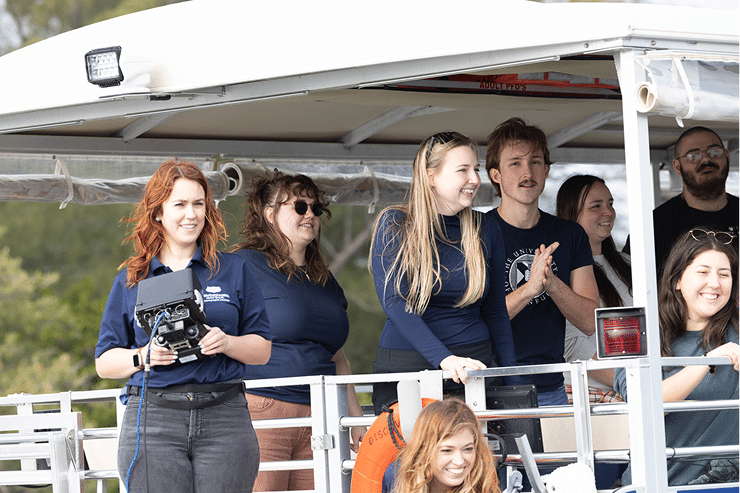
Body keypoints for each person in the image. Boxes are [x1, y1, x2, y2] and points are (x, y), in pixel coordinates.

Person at [95, 160, 272, 493]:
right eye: (179, 204)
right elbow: (104, 363)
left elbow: (262, 349)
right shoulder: (132, 280)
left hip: (225, 418)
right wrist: (143, 357)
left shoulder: (234, 270)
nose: (191, 214)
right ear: (158, 212)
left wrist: (228, 343)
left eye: (198, 204)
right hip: (153, 420)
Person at [230, 170, 365, 491]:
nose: (310, 215)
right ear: (269, 214)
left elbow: (336, 356)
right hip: (265, 412)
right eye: (299, 207)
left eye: (316, 209)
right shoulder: (242, 265)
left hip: (324, 416)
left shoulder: (324, 279)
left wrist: (356, 418)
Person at [370, 131, 519, 414]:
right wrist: (445, 359)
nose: (474, 179)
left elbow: (495, 311)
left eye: (475, 169)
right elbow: (395, 302)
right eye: (463, 170)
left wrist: (513, 383)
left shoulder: (485, 227)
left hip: (475, 369)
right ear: (431, 176)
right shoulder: (395, 223)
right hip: (409, 370)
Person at [485, 117, 599, 406]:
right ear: (495, 175)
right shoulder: (476, 232)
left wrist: (552, 284)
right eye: (515, 163)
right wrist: (528, 289)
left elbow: (590, 322)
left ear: (547, 170)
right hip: (488, 389)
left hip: (551, 386)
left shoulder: (569, 234)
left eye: (535, 162)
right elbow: (473, 322)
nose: (528, 172)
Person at [614, 228, 740, 486]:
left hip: (724, 485)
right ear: (677, 279)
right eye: (703, 272)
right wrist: (708, 361)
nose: (714, 283)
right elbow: (643, 404)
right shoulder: (641, 333)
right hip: (655, 484)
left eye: (724, 274)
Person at [624, 126, 739, 278]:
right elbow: (630, 287)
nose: (706, 159)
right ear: (677, 167)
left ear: (727, 157)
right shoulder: (653, 227)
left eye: (714, 152)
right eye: (693, 155)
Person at [556, 175, 631, 403]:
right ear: (572, 214)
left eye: (610, 203)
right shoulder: (559, 270)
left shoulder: (628, 263)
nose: (607, 212)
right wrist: (630, 381)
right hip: (592, 398)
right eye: (595, 206)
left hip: (637, 384)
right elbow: (573, 346)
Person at [393, 398, 502, 493]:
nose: (459, 461)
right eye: (447, 450)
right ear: (423, 450)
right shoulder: (395, 479)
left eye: (468, 449)